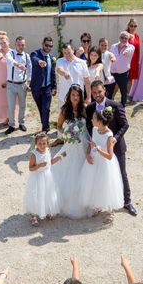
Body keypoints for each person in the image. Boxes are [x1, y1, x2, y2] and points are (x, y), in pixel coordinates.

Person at [85, 81, 136, 216]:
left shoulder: (115, 105)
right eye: (94, 93)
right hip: (98, 149)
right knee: (100, 176)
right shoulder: (90, 108)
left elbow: (125, 125)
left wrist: (115, 138)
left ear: (105, 91)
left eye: (99, 92)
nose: (97, 95)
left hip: (116, 147)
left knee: (121, 173)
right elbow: (90, 128)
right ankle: (100, 203)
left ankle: (127, 202)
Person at [79, 107, 124, 223]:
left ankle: (110, 211)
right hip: (94, 160)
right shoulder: (94, 129)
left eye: (93, 119)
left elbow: (109, 155)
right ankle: (96, 205)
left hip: (105, 163)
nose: (91, 120)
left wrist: (97, 149)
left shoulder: (109, 135)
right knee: (94, 183)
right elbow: (91, 143)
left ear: (99, 121)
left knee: (105, 184)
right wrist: (88, 153)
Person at [51, 85, 87, 219]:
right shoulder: (65, 109)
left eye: (77, 95)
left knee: (83, 169)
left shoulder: (84, 108)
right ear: (69, 96)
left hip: (82, 143)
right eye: (73, 95)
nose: (75, 98)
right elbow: (59, 126)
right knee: (69, 170)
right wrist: (67, 136)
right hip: (70, 144)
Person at [24, 132, 63, 226]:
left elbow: (50, 162)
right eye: (39, 144)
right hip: (37, 177)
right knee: (36, 195)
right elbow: (30, 168)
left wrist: (59, 158)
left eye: (44, 143)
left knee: (47, 193)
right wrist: (39, 165)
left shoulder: (48, 151)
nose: (42, 146)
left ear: (47, 143)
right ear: (36, 144)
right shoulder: (34, 155)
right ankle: (34, 215)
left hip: (48, 176)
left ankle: (46, 211)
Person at [30, 37, 57, 133]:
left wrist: (54, 87)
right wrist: (39, 61)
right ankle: (45, 125)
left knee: (46, 109)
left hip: (47, 88)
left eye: (51, 46)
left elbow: (53, 73)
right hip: (36, 88)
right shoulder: (36, 53)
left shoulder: (51, 57)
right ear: (42, 44)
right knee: (41, 108)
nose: (48, 47)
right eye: (46, 45)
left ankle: (44, 129)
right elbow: (33, 58)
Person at [5, 36, 31, 135]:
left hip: (22, 85)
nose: (21, 47)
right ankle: (11, 125)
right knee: (11, 106)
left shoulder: (27, 56)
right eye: (19, 45)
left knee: (22, 105)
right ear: (15, 45)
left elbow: (29, 70)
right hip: (11, 84)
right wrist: (18, 64)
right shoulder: (10, 53)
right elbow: (9, 60)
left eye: (23, 45)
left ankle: (21, 123)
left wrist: (28, 82)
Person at [108, 33, 134, 107]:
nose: (124, 39)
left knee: (123, 91)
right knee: (110, 90)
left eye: (126, 38)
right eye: (122, 37)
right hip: (112, 72)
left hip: (123, 73)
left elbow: (130, 50)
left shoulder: (131, 47)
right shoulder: (113, 46)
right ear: (119, 38)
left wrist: (126, 52)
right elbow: (109, 55)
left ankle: (122, 106)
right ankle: (108, 106)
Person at [0, 32, 11, 126]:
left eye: (4, 42)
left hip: (10, 79)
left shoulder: (12, 52)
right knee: (1, 100)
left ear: (8, 42)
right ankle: (4, 118)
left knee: (11, 99)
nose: (3, 45)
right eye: (1, 43)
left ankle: (11, 117)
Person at [126, 18, 140, 96]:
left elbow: (138, 50)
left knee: (131, 78)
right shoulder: (125, 35)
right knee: (126, 78)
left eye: (135, 26)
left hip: (134, 60)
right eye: (131, 26)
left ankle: (128, 94)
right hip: (127, 59)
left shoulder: (137, 35)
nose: (133, 28)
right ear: (128, 26)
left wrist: (137, 61)